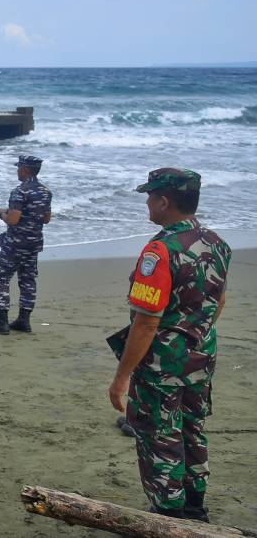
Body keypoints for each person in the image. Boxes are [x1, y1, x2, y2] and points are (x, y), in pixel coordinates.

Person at [107, 168, 229, 521]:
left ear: (164, 201)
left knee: (159, 435)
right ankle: (194, 505)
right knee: (192, 428)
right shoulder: (217, 243)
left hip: (163, 363)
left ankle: (168, 514)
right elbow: (219, 303)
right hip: (201, 355)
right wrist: (193, 336)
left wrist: (122, 377)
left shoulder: (160, 252)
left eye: (150, 196)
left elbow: (146, 321)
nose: (147, 202)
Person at [0, 155, 52, 335]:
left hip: (14, 245)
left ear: (25, 170)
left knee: (1, 278)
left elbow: (13, 220)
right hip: (33, 244)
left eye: (19, 168)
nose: (17, 171)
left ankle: (1, 322)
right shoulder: (45, 192)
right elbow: (46, 219)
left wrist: (0, 213)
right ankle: (23, 321)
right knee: (28, 280)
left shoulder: (19, 191)